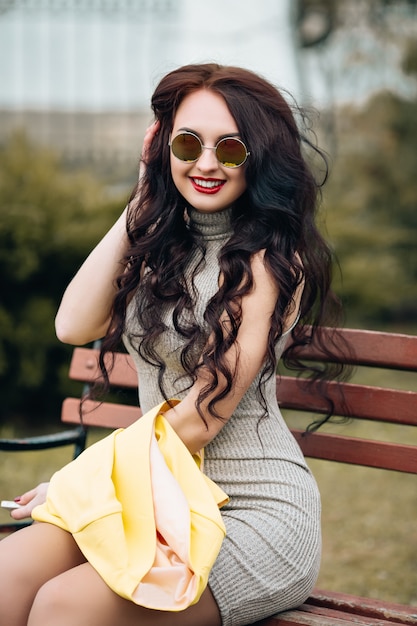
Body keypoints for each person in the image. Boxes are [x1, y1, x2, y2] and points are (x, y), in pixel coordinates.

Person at [0, 63, 346, 626]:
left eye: (230, 149)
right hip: (154, 499)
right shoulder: (162, 244)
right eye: (188, 143)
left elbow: (200, 419)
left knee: (63, 608)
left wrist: (76, 485)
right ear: (164, 147)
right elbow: (72, 324)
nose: (206, 163)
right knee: (5, 578)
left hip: (252, 516)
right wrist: (142, 195)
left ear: (258, 157)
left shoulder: (268, 263)